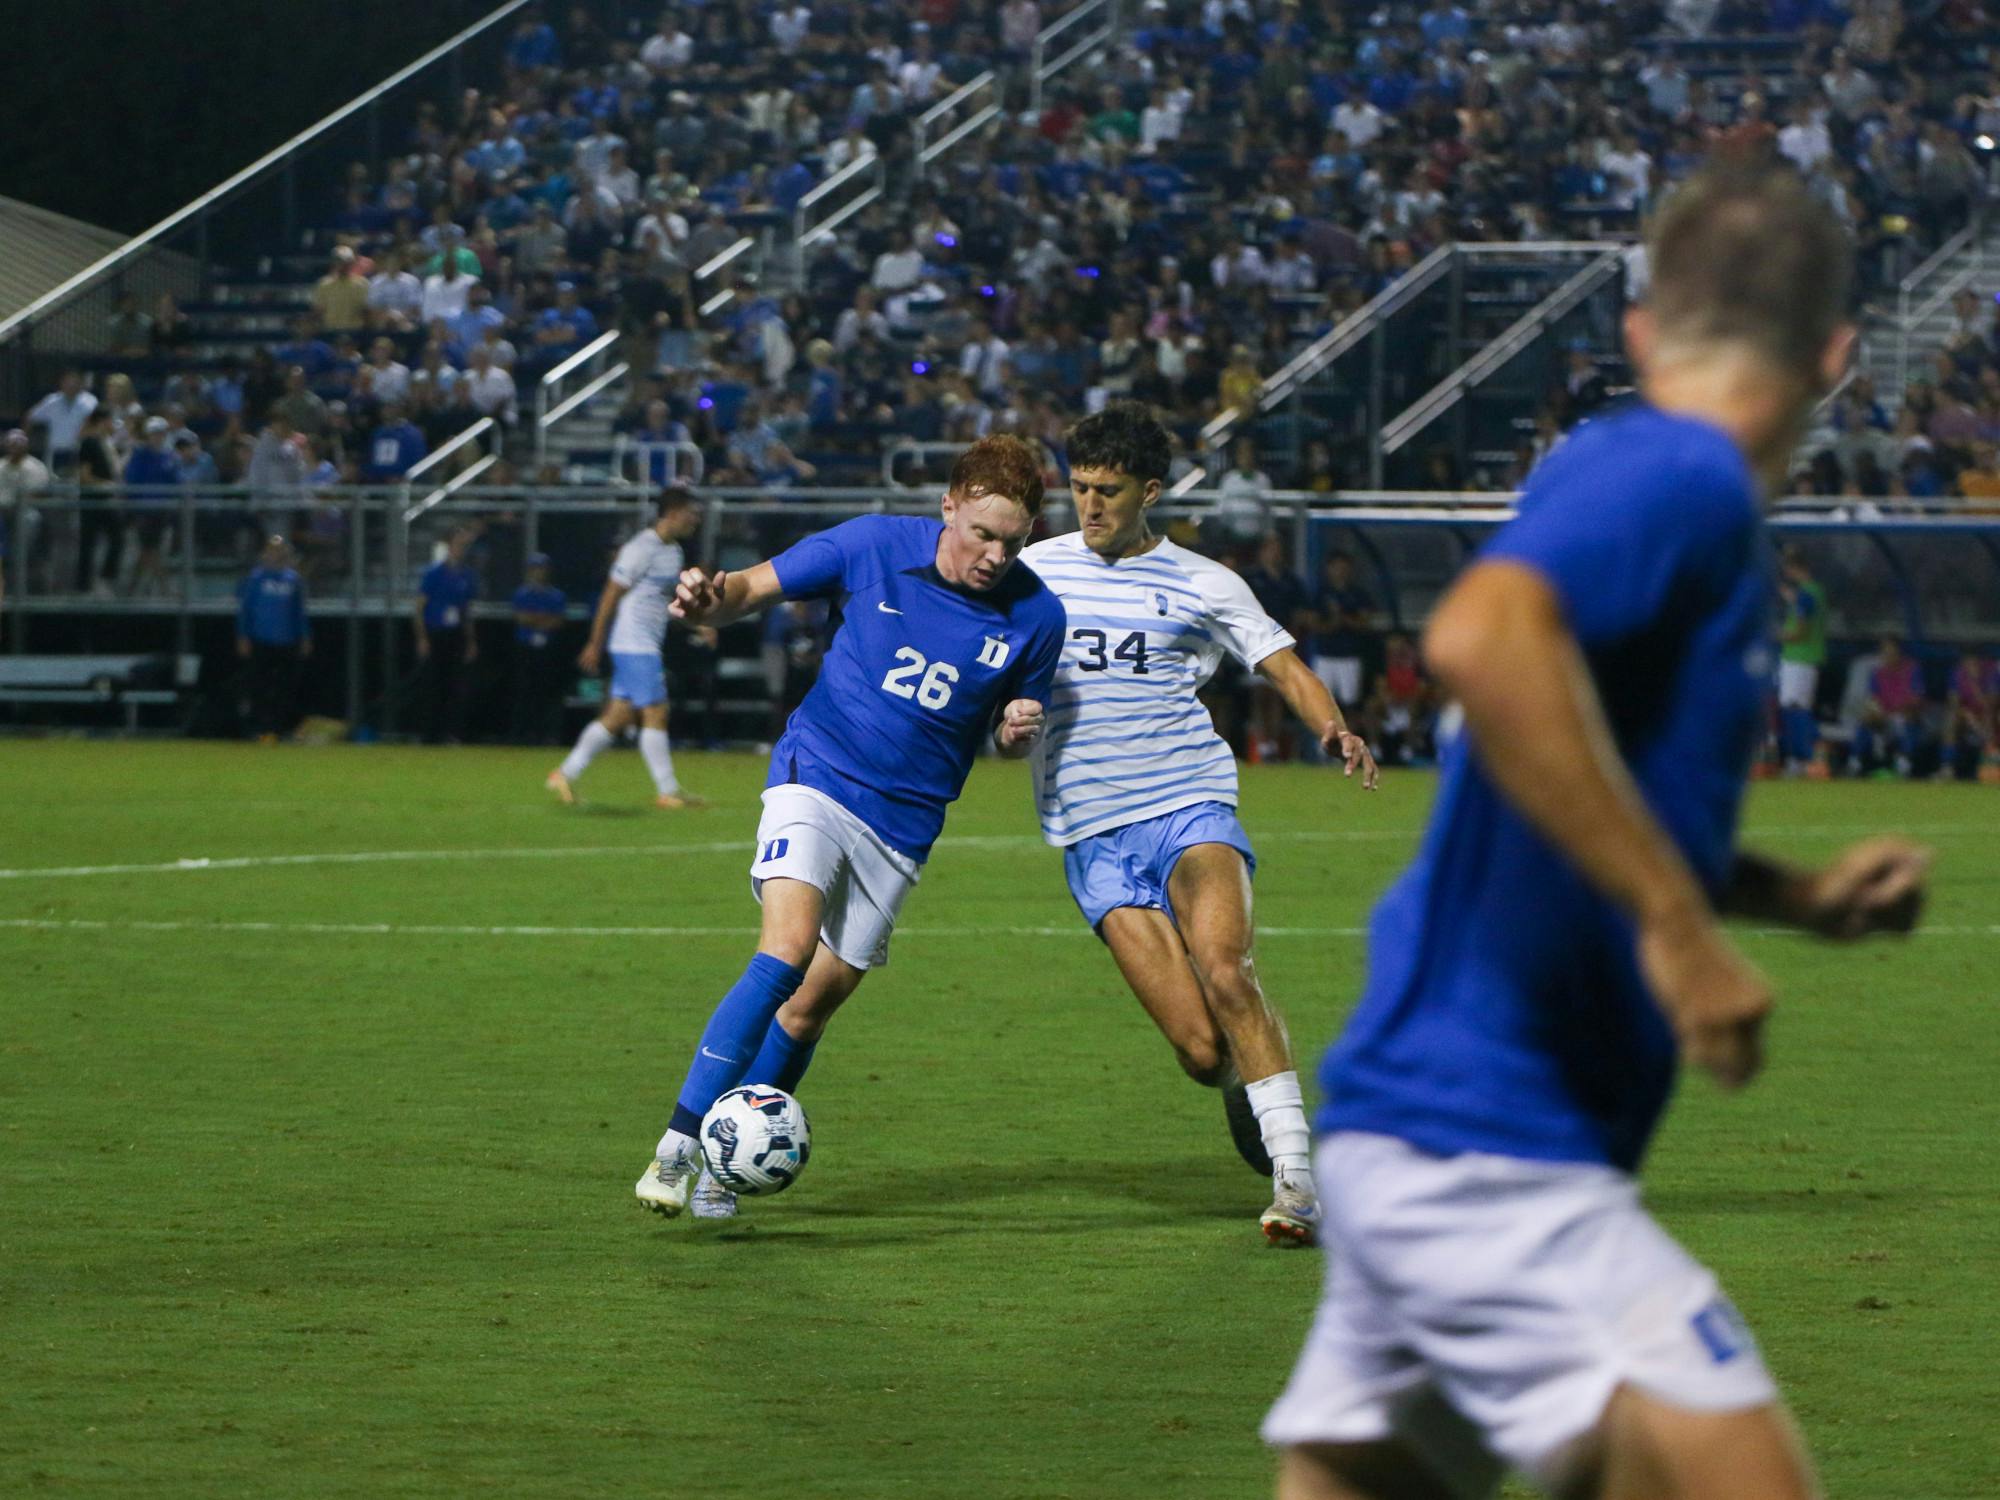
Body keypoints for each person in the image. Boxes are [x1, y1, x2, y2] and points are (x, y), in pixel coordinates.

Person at [1264, 162, 1930, 1500]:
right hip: (1488, 1136)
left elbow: (1584, 789)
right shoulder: (1678, 470)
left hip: (1426, 1121)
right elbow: (1480, 636)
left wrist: (1794, 899)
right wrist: (1680, 937)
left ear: (1640, 329)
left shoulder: (1661, 487)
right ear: (1838, 355)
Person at [634, 436, 1066, 1221]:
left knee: (809, 1009)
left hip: (903, 828)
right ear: (950, 506)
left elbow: (1011, 730)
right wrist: (708, 597)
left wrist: (1017, 732)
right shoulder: (870, 545)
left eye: (1014, 539)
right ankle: (679, 1143)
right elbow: (749, 589)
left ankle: (724, 1177)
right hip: (819, 775)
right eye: (983, 533)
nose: (996, 554)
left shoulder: (1039, 615)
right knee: (787, 951)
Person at [1021, 405, 1376, 1244]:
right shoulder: (1035, 571)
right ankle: (1243, 1086)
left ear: (1150, 492)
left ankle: (1297, 1182)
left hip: (1188, 801)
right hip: (1092, 835)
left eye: (1107, 491)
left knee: (1227, 969)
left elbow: (1282, 664)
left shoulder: (1205, 581)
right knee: (1201, 1052)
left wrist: (1334, 725)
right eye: (1077, 488)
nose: (1090, 505)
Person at [547, 489, 705, 807]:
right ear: (672, 512)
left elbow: (664, 602)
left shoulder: (672, 551)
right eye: (691, 512)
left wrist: (699, 624)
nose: (695, 518)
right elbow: (610, 595)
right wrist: (595, 642)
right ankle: (667, 790)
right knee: (657, 712)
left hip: (645, 643)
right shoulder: (640, 548)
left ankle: (563, 775)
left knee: (617, 717)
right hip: (634, 644)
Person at [236, 536, 312, 743]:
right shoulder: (255, 579)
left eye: (281, 551)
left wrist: (305, 636)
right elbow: (246, 610)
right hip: (261, 639)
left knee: (285, 688)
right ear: (265, 553)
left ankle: (279, 728)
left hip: (287, 640)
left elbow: (299, 612)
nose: (277, 555)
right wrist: (243, 635)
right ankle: (257, 728)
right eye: (273, 550)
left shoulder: (293, 580)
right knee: (259, 686)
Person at [414, 527, 479, 744]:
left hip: (456, 633)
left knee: (456, 686)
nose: (460, 550)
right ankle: (429, 734)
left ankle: (451, 733)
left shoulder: (466, 575)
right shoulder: (434, 573)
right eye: (457, 545)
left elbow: (466, 611)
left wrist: (470, 641)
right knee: (433, 685)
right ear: (449, 546)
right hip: (436, 633)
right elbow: (420, 607)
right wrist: (422, 638)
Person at [510, 552, 570, 745]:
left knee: (548, 693)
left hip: (548, 649)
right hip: (526, 648)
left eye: (541, 569)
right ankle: (522, 734)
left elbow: (558, 621)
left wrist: (535, 619)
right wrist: (543, 619)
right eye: (535, 569)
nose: (538, 573)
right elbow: (521, 618)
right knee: (525, 692)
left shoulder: (556, 595)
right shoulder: (522, 593)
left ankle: (547, 734)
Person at [1776, 545, 1826, 772]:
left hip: (1798, 658)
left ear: (1796, 568)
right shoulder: (1815, 591)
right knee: (1800, 708)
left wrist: (1776, 633)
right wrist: (1789, 598)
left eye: (1788, 567)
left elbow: (1800, 632)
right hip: (1809, 659)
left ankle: (1806, 757)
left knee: (1793, 708)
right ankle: (1803, 759)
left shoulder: (1805, 595)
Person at [1309, 552, 1375, 712]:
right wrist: (1333, 622)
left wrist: (1342, 617)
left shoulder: (1358, 594)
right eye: (1336, 567)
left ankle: (1347, 736)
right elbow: (1313, 624)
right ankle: (1324, 737)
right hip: (1325, 656)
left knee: (1349, 703)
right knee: (1322, 703)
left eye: (1343, 567)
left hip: (1350, 656)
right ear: (1329, 569)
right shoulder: (1320, 593)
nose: (1340, 571)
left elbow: (1364, 622)